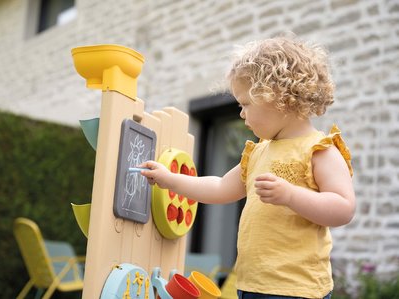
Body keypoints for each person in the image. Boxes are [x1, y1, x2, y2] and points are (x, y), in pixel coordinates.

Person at [140, 36, 355, 299]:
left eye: (245, 104)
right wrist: (170, 180)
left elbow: (343, 208)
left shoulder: (318, 150)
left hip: (297, 289)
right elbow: (219, 187)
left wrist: (291, 195)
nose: (241, 113)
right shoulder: (258, 153)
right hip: (251, 285)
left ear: (278, 98)